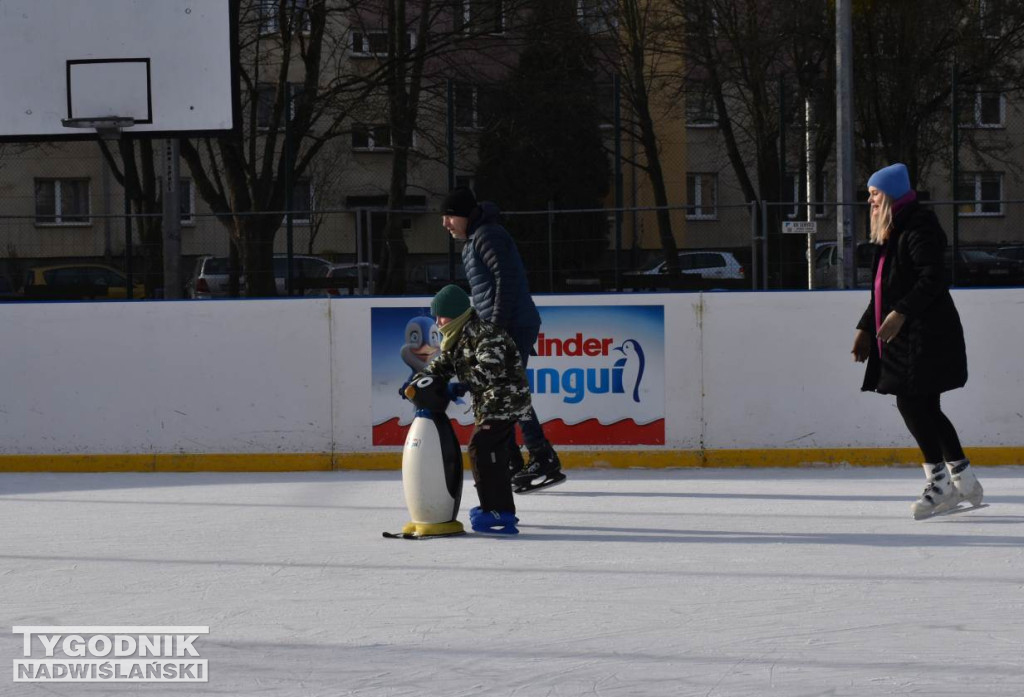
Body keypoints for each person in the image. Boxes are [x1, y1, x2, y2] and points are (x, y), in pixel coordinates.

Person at [851, 163, 984, 520]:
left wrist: (900, 314)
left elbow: (933, 278)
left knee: (914, 404)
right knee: (923, 406)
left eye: (875, 194)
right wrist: (866, 326)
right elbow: (884, 289)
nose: (870, 201)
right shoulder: (894, 231)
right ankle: (962, 477)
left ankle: (941, 482)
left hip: (925, 334)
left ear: (891, 195)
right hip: (908, 335)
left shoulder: (917, 228)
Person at [440, 186, 565, 492]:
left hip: (513, 324)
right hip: (503, 325)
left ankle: (540, 457)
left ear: (465, 214)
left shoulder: (487, 235)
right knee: (496, 391)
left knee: (507, 390)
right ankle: (515, 461)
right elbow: (487, 291)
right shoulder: (473, 241)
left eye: (449, 216)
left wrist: (495, 328)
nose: (445, 224)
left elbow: (505, 281)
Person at [410, 284, 533, 534]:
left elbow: (491, 368)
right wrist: (416, 381)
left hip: (504, 401)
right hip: (491, 403)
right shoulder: (459, 335)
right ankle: (499, 508)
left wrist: (461, 386)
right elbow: (443, 365)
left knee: (482, 447)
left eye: (441, 315)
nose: (437, 321)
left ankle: (497, 510)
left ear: (454, 313)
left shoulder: (486, 333)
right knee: (490, 452)